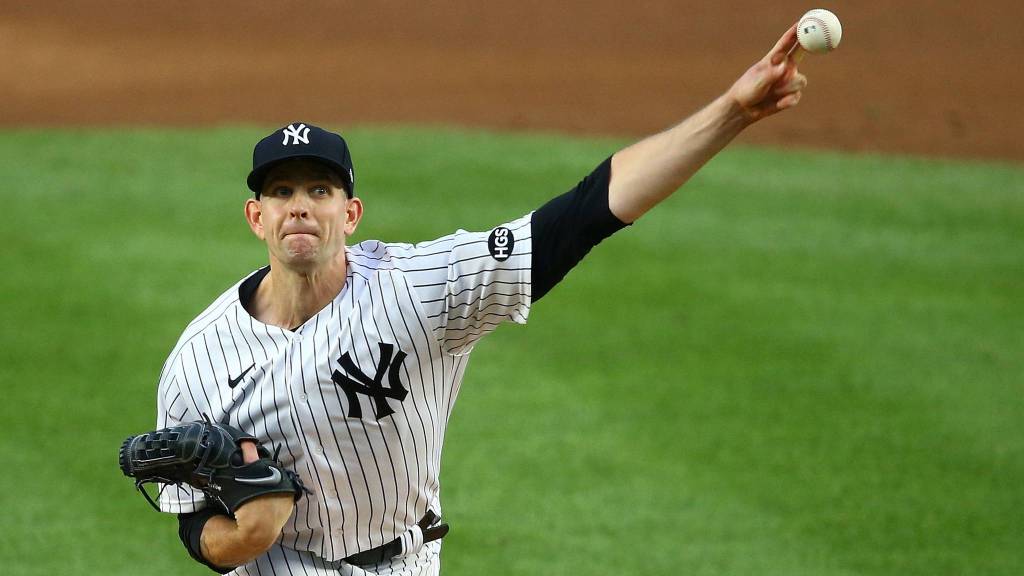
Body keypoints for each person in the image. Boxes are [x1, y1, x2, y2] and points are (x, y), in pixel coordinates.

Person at [154, 24, 808, 576]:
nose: (300, 206)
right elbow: (191, 521)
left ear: (350, 214)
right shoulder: (201, 357)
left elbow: (582, 214)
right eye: (282, 192)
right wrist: (243, 537)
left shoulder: (414, 290)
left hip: (404, 563)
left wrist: (732, 111)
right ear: (257, 216)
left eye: (319, 191)